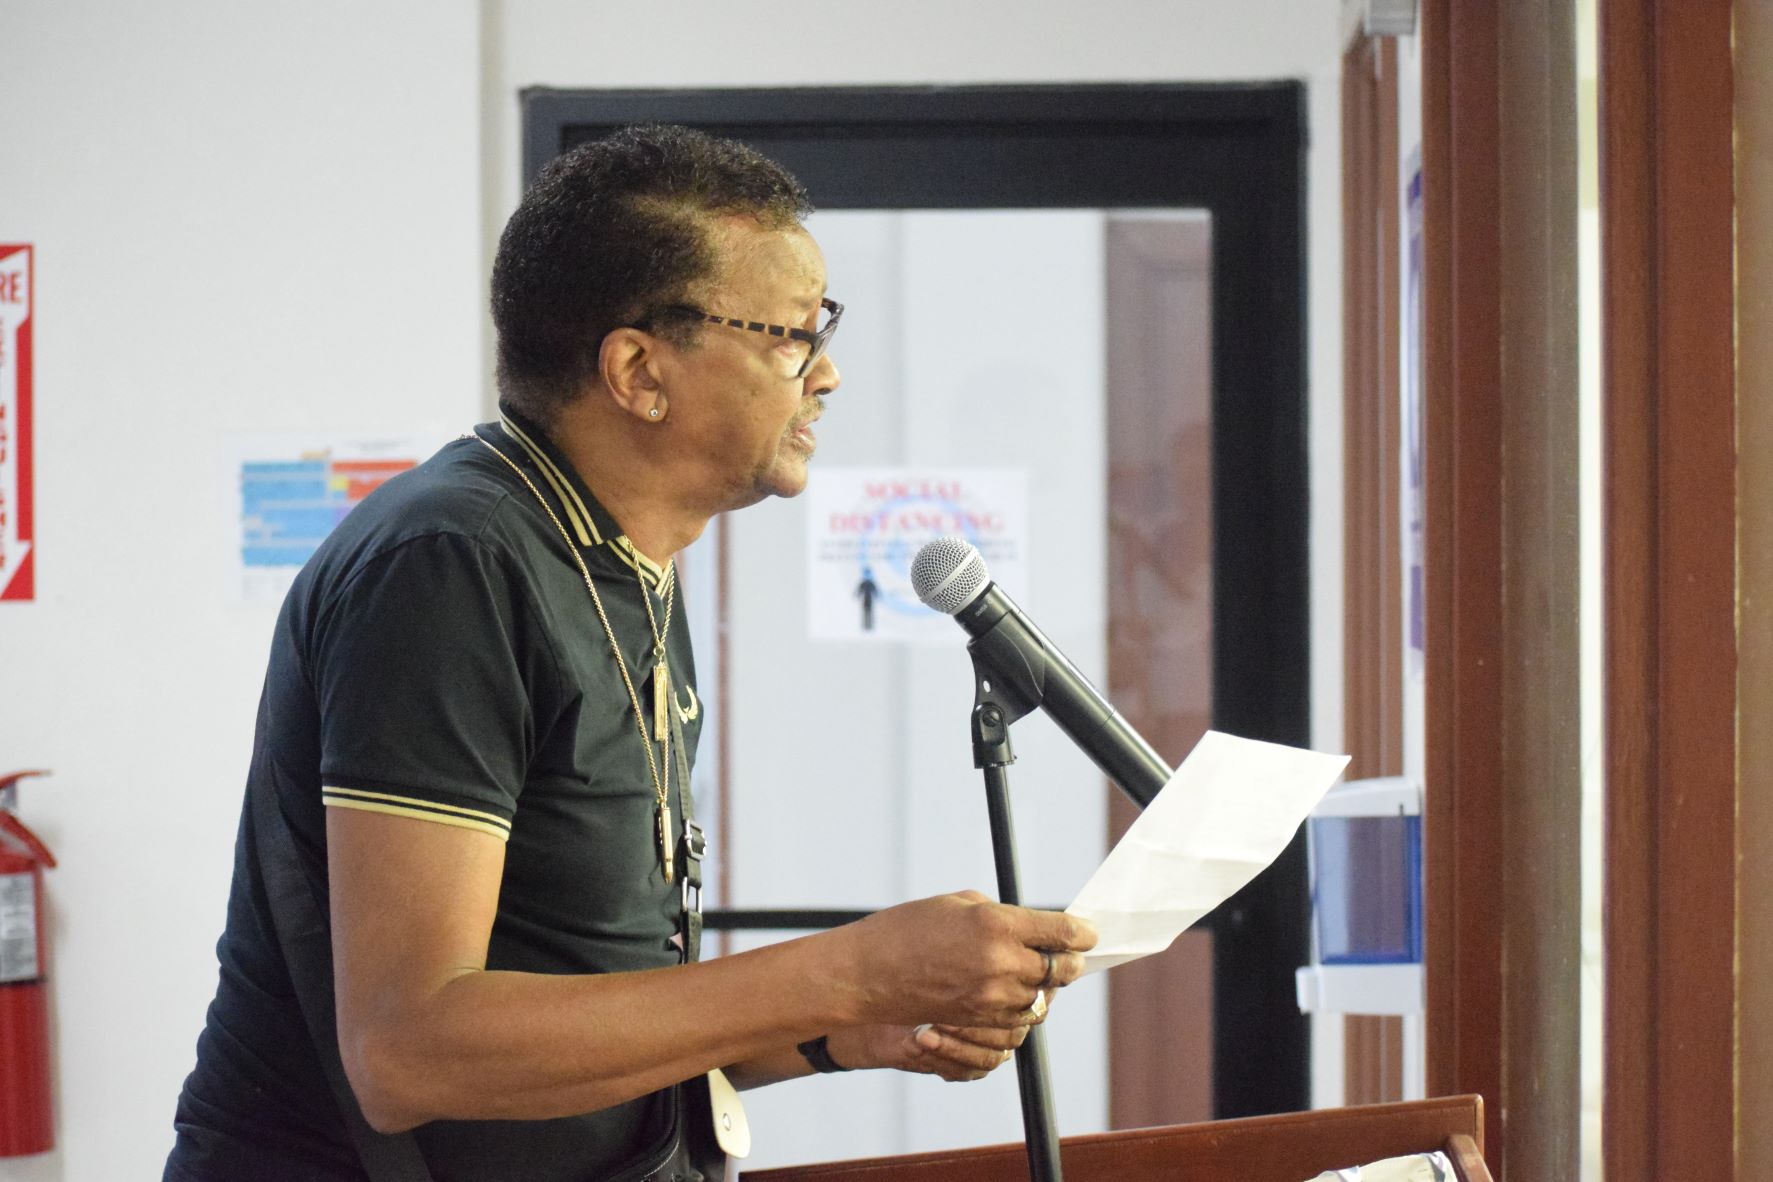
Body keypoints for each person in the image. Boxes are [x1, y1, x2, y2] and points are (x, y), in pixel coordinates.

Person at [165, 124, 1096, 1182]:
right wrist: (844, 971)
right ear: (639, 370)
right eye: (792, 334)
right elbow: (409, 1050)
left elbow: (588, 997)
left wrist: (847, 1034)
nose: (826, 374)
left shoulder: (626, 565)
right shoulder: (450, 564)